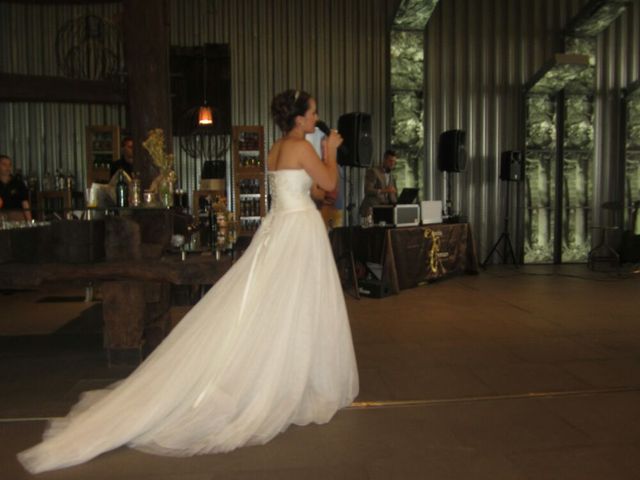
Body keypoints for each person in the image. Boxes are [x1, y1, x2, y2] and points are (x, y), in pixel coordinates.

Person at [17, 89, 359, 474]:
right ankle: (287, 384)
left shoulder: (278, 148)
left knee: (281, 306)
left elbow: (308, 188)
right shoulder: (303, 145)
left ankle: (293, 378)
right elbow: (329, 182)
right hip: (297, 234)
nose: (316, 118)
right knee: (297, 307)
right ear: (299, 119)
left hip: (282, 228)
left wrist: (320, 168)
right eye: (312, 113)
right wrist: (330, 148)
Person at [358, 150, 398, 219]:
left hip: (384, 211)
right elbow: (367, 190)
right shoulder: (373, 171)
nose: (392, 164)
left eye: (394, 162)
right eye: (390, 161)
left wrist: (399, 204)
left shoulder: (391, 176)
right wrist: (384, 190)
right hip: (370, 211)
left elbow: (391, 196)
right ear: (384, 160)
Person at [0, 154, 32, 221]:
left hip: (16, 216)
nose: (8, 167)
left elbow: (25, 203)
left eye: (9, 165)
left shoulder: (18, 183)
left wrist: (29, 222)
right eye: (4, 164)